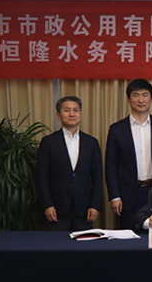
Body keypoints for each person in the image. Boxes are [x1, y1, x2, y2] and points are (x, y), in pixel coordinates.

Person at [105, 79, 152, 229]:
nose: (141, 100)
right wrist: (115, 196)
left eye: (145, 95)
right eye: (136, 95)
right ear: (128, 99)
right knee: (129, 235)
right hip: (128, 194)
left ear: (151, 98)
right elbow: (110, 166)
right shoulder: (117, 129)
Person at [36, 96, 103, 231]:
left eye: (75, 110)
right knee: (56, 243)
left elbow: (98, 177)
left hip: (84, 208)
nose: (72, 114)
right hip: (56, 207)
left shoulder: (91, 143)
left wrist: (95, 205)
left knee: (83, 243)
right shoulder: (48, 142)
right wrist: (47, 205)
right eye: (67, 110)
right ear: (58, 115)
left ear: (81, 115)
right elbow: (41, 177)